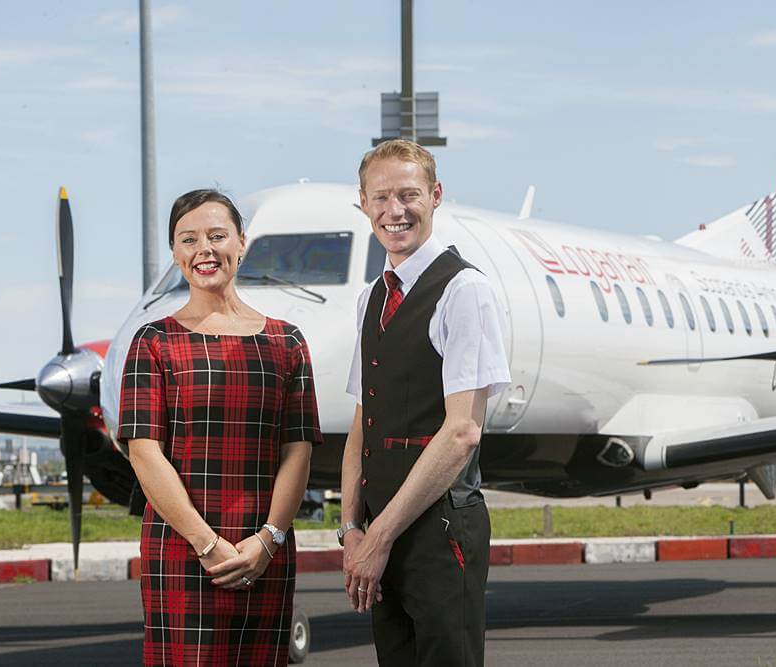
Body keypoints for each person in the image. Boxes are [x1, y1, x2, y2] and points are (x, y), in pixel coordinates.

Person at [118, 189, 321, 666]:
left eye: (216, 236)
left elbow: (298, 452)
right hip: (183, 550)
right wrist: (206, 544)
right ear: (174, 253)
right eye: (188, 239)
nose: (203, 250)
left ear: (243, 242)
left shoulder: (287, 342)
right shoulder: (154, 342)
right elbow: (144, 452)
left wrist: (268, 539)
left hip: (263, 549)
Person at [340, 139, 511, 665]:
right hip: (377, 536)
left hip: (439, 528)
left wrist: (378, 539)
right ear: (363, 205)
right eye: (381, 198)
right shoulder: (374, 295)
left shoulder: (464, 291)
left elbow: (462, 432)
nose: (396, 211)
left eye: (410, 195)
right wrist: (351, 530)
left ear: (436, 196)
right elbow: (362, 423)